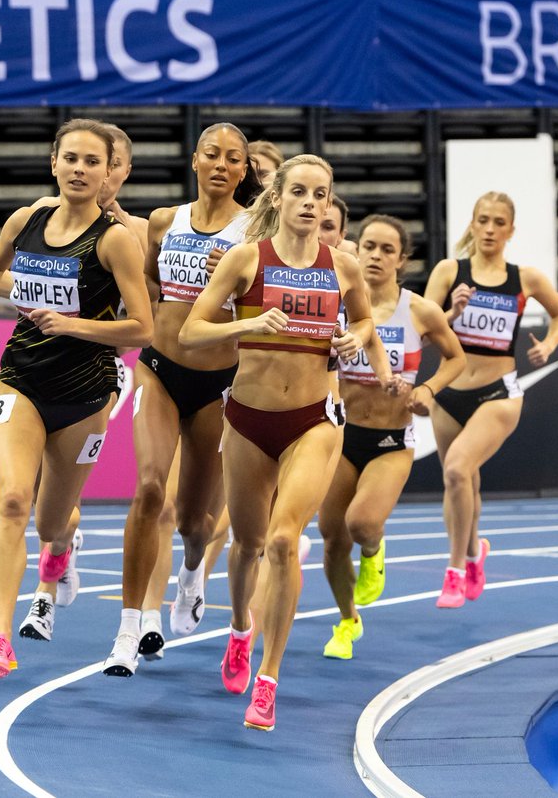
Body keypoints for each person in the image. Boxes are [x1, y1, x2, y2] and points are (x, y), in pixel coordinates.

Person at [180, 154, 375, 731]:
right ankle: (240, 629)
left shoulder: (343, 267)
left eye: (322, 193)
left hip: (315, 421)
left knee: (285, 541)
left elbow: (365, 324)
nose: (311, 203)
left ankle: (268, 678)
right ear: (279, 199)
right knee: (246, 543)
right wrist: (248, 324)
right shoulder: (246, 260)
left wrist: (352, 339)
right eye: (300, 192)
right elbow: (191, 331)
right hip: (246, 419)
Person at [0, 118, 153, 680]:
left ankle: (63, 543)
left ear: (107, 173)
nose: (80, 169)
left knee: (49, 521)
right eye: (71, 158)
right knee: (13, 499)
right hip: (20, 378)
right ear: (54, 163)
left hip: (86, 393)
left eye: (93, 161)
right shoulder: (27, 220)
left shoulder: (116, 240)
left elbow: (142, 329)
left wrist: (73, 326)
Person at [101, 123, 262, 677]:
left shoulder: (255, 233)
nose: (221, 164)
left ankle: (192, 573)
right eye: (212, 154)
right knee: (149, 490)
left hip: (220, 387)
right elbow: (144, 285)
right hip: (159, 371)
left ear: (245, 171)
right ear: (194, 160)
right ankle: (126, 629)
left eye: (233, 159)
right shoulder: (165, 222)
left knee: (196, 522)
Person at [15, 123, 145, 642]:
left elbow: (149, 310)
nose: (94, 172)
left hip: (101, 369)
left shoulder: (131, 234)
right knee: (39, 494)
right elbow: (7, 270)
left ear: (122, 170)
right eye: (83, 159)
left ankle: (43, 596)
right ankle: (56, 568)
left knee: (56, 482)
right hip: (38, 358)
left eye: (107, 164)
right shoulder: (45, 216)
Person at [319, 214, 466, 660]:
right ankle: (347, 621)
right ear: (355, 249)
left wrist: (426, 390)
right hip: (340, 435)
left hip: (390, 440)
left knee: (361, 523)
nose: (376, 256)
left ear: (402, 260)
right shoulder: (337, 301)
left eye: (387, 250)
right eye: (369, 246)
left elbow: (455, 359)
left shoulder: (419, 310)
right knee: (330, 535)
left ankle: (374, 549)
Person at [423, 191, 558, 609]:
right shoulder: (449, 270)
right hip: (450, 391)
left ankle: (453, 570)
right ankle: (474, 554)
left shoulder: (525, 278)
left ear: (510, 230)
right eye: (482, 220)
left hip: (499, 391)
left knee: (456, 469)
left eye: (498, 222)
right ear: (471, 224)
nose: (489, 229)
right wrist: (451, 313)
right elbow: (423, 325)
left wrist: (550, 345)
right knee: (462, 481)